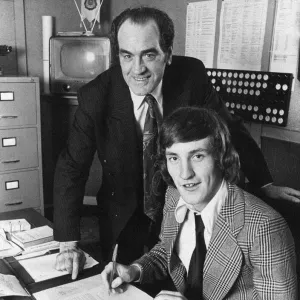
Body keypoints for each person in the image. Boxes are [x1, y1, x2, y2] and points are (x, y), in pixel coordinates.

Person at [53, 6, 300, 280]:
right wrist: (68, 244)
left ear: (167, 54)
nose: (138, 69)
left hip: (180, 206)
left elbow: (230, 131)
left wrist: (265, 184)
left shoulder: (191, 76)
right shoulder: (96, 95)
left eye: (149, 54)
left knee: (182, 280)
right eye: (127, 56)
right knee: (121, 280)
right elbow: (72, 166)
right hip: (121, 210)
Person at [100, 107, 298, 300]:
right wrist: (134, 270)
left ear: (221, 157)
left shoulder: (264, 228)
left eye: (197, 156)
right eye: (174, 158)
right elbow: (167, 250)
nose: (185, 174)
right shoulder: (174, 195)